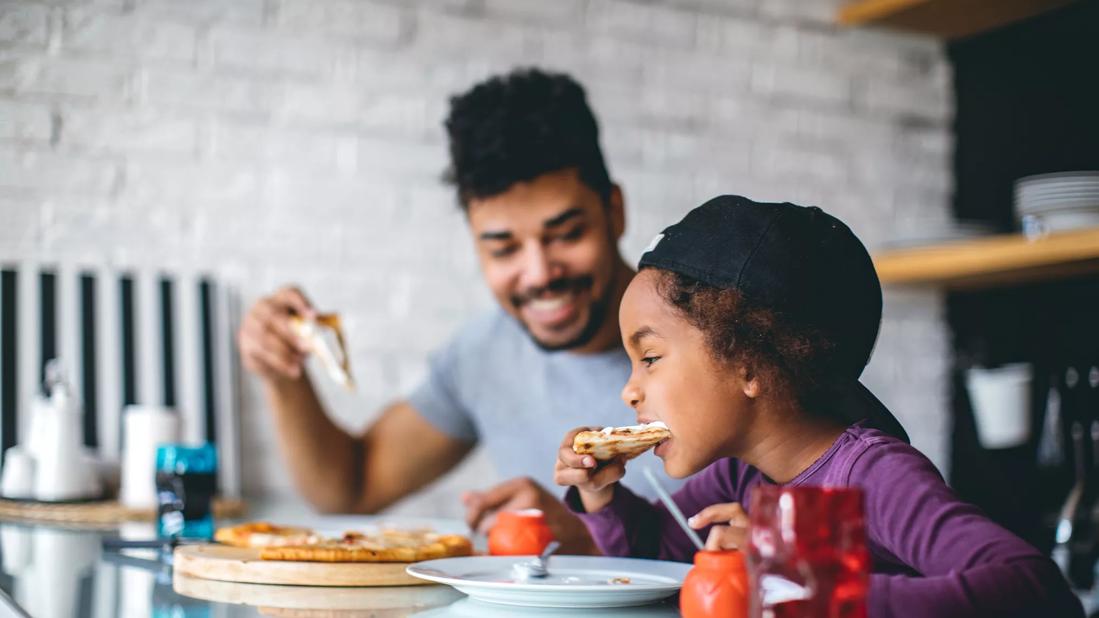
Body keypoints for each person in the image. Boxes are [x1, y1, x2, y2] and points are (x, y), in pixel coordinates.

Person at [554, 195, 1082, 616]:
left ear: (747, 361)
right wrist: (601, 495)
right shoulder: (744, 476)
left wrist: (801, 577)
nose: (630, 391)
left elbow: (1034, 590)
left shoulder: (873, 476)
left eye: (649, 357)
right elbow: (652, 556)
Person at [237, 68, 681, 551]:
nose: (538, 273)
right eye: (503, 248)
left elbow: (765, 544)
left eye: (567, 234)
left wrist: (593, 537)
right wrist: (283, 376)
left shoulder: (713, 340)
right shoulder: (483, 354)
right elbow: (350, 487)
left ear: (614, 211)